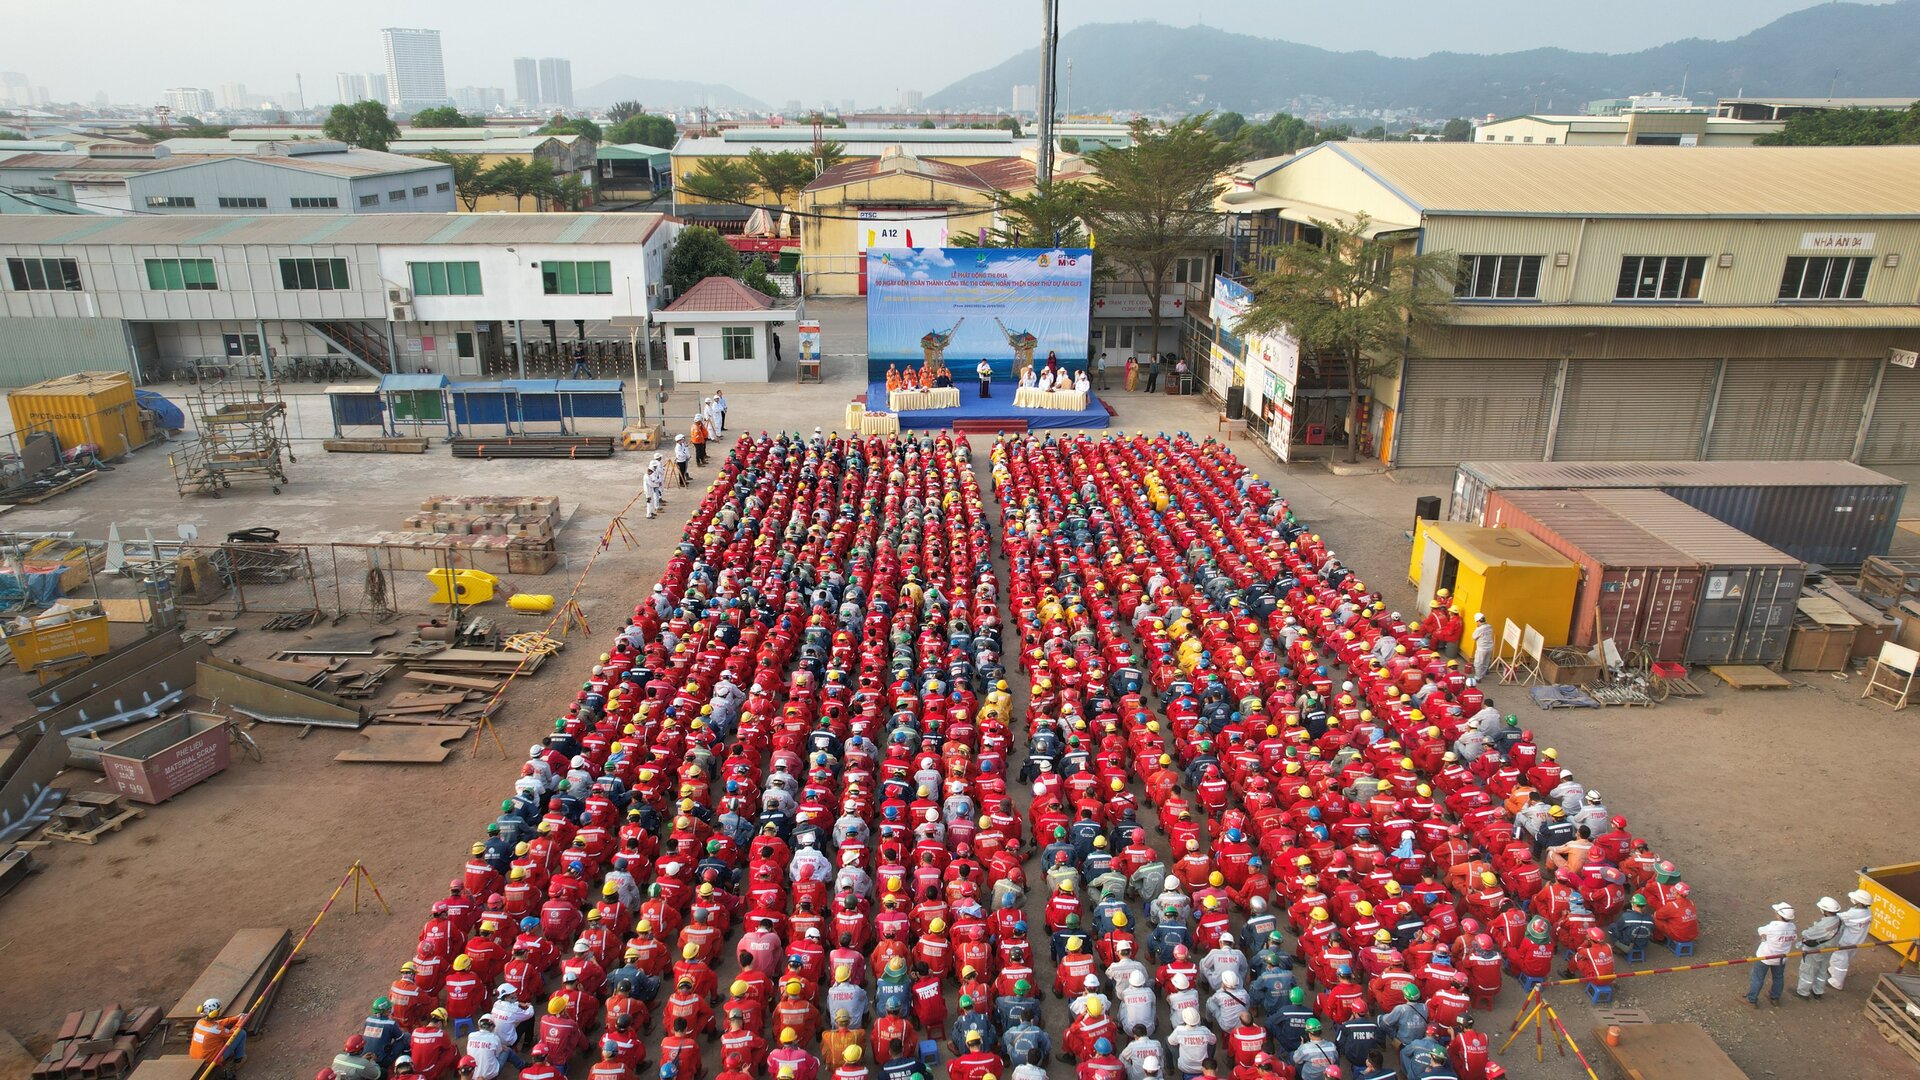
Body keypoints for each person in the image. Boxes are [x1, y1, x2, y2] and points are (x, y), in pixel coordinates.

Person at [1748, 902, 1797, 1007]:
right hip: (1781, 958)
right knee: (1778, 978)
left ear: (1779, 915)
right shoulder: (1792, 927)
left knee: (1757, 978)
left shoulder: (1773, 926)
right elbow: (1794, 938)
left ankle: (1751, 999)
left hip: (1765, 957)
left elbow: (1760, 929)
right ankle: (1775, 997)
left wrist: (1763, 935)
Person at [1795, 897, 1843, 1000]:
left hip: (1815, 950)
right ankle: (1818, 991)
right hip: (1829, 949)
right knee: (1822, 970)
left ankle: (1803, 992)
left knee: (1808, 970)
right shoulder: (1840, 921)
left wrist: (1806, 932)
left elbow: (1808, 934)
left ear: (1824, 910)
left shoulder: (1823, 925)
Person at [1830, 890, 1875, 992]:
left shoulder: (1852, 915)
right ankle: (1834, 971)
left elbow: (1836, 918)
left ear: (1859, 902)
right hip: (1858, 941)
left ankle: (1837, 982)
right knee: (1847, 958)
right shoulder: (1868, 912)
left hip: (1846, 942)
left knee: (1839, 959)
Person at [188, 999, 246, 1076]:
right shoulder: (217, 1030)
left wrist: (235, 1018)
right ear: (215, 1013)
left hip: (195, 1057)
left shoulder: (199, 1022)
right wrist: (241, 1020)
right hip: (212, 1060)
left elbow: (217, 1023)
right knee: (241, 1033)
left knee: (218, 1040)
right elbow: (233, 1033)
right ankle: (239, 1059)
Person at [1470, 614, 1495, 679]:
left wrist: (1477, 628)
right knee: (1486, 662)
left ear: (1478, 621)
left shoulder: (1479, 629)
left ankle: (1478, 677)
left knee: (1478, 663)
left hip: (1481, 649)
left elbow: (1473, 637)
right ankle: (1483, 674)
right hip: (1490, 647)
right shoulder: (1490, 626)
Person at [645, 454, 666, 519]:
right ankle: (649, 514)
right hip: (649, 491)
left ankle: (651, 512)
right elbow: (652, 482)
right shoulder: (647, 476)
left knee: (652, 501)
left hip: (651, 490)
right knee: (651, 502)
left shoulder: (653, 471)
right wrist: (658, 483)